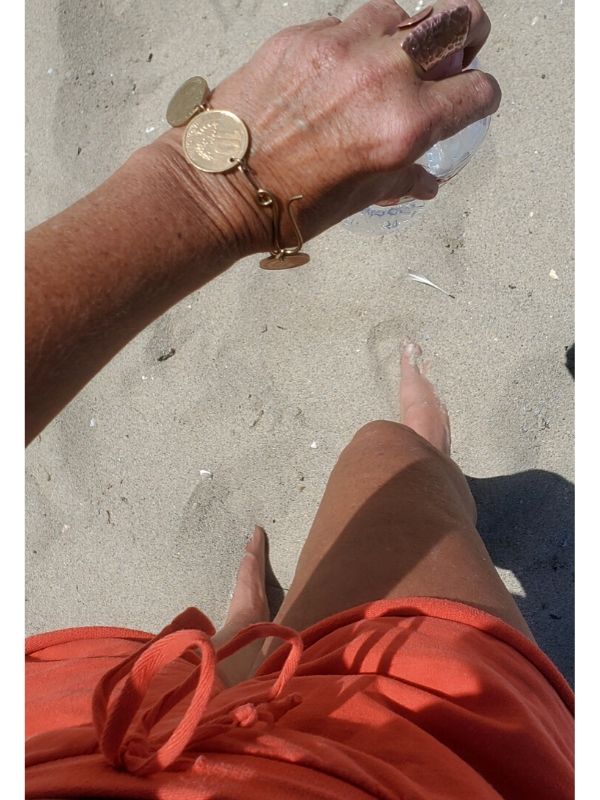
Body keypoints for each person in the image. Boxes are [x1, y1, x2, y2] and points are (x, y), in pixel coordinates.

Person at [25, 1, 573, 797]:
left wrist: (211, 186)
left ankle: (240, 640)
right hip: (367, 764)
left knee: (207, 675)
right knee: (388, 457)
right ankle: (429, 456)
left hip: (78, 737)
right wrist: (205, 186)